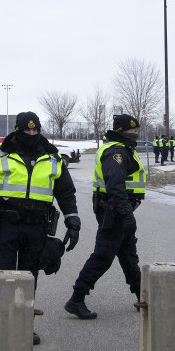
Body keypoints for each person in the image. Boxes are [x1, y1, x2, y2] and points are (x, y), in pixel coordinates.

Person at [0, 111, 80, 345]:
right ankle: (0, 327)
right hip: (7, 225)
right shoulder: (0, 154)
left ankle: (23, 327)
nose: (31, 133)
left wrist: (73, 220)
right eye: (27, 130)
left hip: (37, 227)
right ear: (17, 130)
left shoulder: (52, 157)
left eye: (35, 130)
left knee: (29, 278)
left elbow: (66, 193)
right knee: (2, 275)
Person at [65, 114, 145, 319]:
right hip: (115, 210)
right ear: (120, 131)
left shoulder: (123, 148)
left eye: (136, 131)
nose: (135, 134)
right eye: (131, 131)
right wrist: (127, 214)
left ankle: (143, 294)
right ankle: (77, 298)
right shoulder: (116, 152)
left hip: (119, 209)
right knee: (103, 256)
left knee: (128, 255)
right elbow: (115, 186)